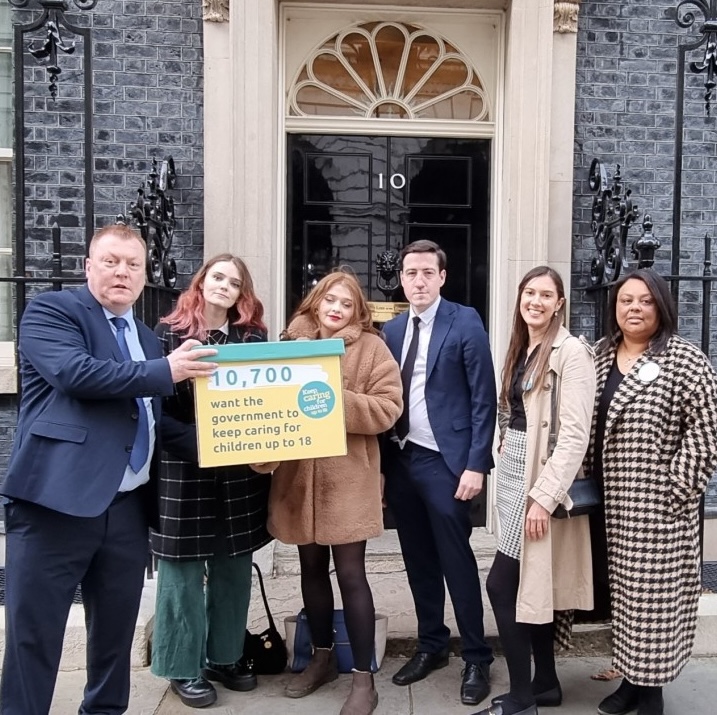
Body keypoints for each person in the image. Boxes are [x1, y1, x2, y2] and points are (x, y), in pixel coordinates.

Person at [0, 224, 218, 715]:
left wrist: (236, 446)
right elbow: (76, 374)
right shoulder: (52, 312)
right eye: (111, 261)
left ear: (144, 276)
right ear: (89, 266)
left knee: (115, 638)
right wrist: (168, 371)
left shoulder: (143, 336)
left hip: (125, 511)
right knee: (33, 638)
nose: (122, 272)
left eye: (133, 265)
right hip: (53, 507)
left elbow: (156, 424)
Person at [253, 270, 402, 715]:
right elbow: (267, 407)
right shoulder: (288, 348)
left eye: (346, 303)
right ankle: (320, 659)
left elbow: (389, 408)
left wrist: (334, 396)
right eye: (329, 300)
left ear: (358, 311)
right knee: (311, 570)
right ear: (315, 302)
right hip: (298, 480)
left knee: (352, 575)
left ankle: (363, 678)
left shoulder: (373, 349)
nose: (336, 309)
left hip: (348, 482)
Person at [585, 269, 717, 715]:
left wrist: (675, 491)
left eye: (644, 301)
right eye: (625, 301)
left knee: (654, 608)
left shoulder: (686, 360)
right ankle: (631, 680)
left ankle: (650, 692)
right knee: (624, 600)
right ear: (614, 307)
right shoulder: (601, 355)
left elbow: (705, 434)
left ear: (661, 306)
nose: (634, 309)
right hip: (607, 505)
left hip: (658, 508)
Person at [150, 254, 273, 708]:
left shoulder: (253, 339)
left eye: (235, 282)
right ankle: (181, 666)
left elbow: (267, 403)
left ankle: (224, 656)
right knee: (181, 574)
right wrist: (204, 445)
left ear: (243, 294)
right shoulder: (169, 333)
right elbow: (155, 412)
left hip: (239, 476)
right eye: (218, 277)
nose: (225, 286)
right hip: (183, 470)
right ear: (202, 283)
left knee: (233, 568)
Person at [472, 266, 596, 715]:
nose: (536, 301)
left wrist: (543, 497)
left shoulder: (572, 352)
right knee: (530, 583)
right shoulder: (522, 347)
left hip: (541, 481)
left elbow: (575, 433)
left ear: (560, 302)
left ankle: (523, 696)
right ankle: (545, 682)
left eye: (546, 294)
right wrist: (505, 439)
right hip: (514, 473)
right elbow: (515, 408)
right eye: (530, 293)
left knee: (501, 585)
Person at [382, 239, 497, 707]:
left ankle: (476, 656)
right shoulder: (390, 330)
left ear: (442, 276)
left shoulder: (464, 320)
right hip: (402, 460)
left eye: (428, 272)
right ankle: (432, 645)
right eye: (411, 273)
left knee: (456, 561)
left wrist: (476, 463)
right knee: (417, 561)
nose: (419, 281)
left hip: (446, 463)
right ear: (402, 279)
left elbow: (482, 397)